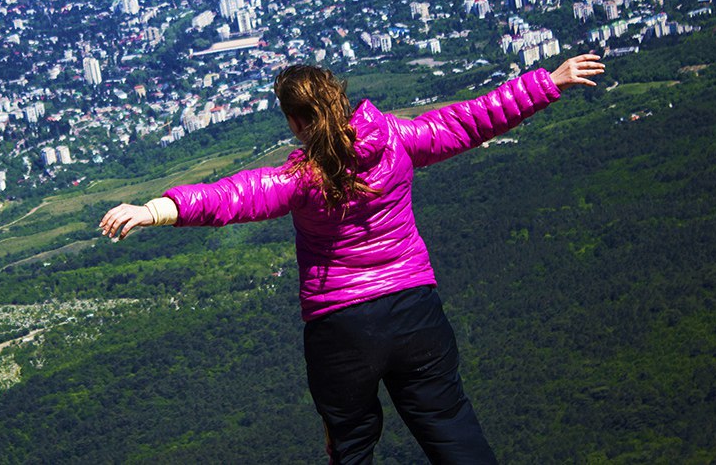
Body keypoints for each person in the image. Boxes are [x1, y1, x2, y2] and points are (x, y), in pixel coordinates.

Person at [100, 54, 604, 464]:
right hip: (415, 312)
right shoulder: (397, 142)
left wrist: (153, 210)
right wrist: (548, 81)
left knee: (352, 448)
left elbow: (231, 196)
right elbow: (470, 120)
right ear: (340, 101)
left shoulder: (297, 181)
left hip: (340, 329)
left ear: (296, 122)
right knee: (452, 429)